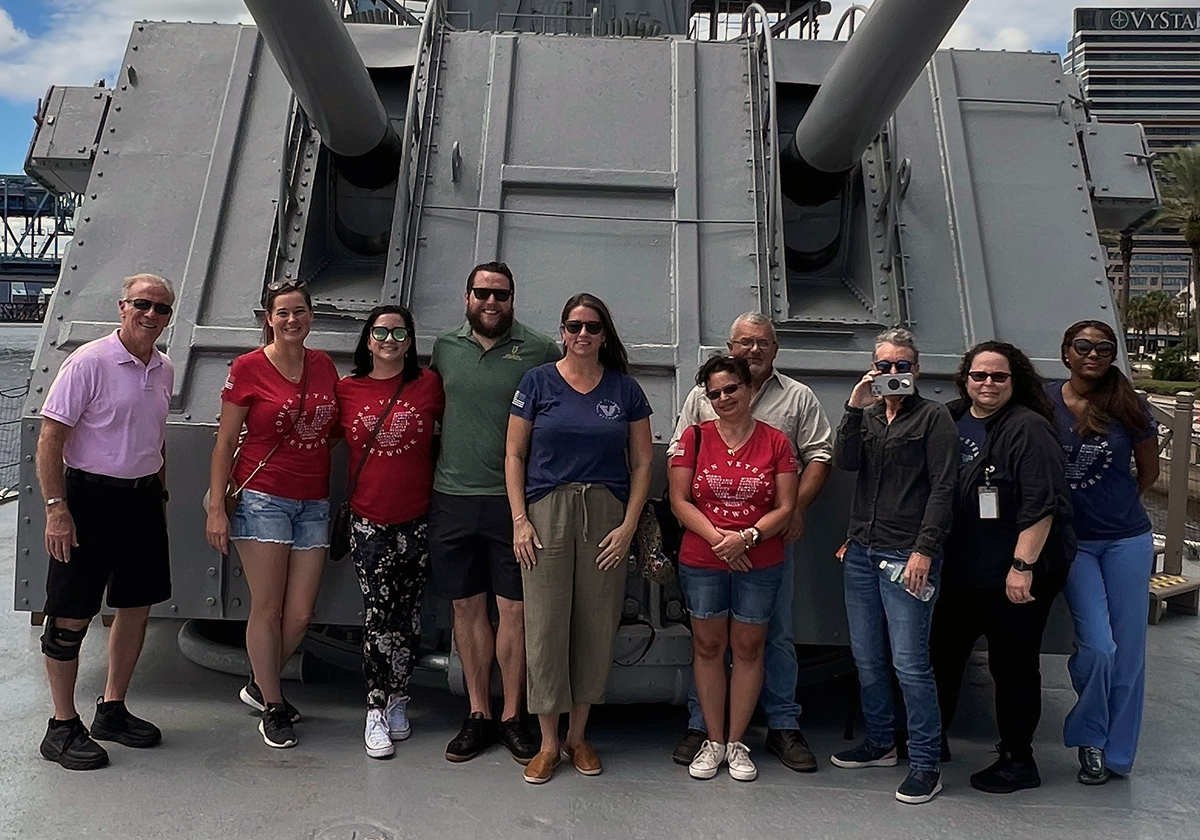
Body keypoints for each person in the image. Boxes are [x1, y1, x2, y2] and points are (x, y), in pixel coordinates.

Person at [668, 313, 831, 773]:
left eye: (762, 342)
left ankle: (779, 725)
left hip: (766, 544)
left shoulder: (796, 399)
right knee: (708, 642)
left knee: (768, 637)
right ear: (731, 347)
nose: (753, 350)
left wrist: (787, 515)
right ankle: (705, 729)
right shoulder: (700, 399)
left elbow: (818, 455)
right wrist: (722, 539)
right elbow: (678, 468)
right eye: (744, 342)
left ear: (775, 348)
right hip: (711, 545)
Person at [506, 292, 653, 784]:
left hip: (606, 516)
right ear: (562, 332)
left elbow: (642, 463)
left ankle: (578, 735)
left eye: (591, 326)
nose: (582, 335)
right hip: (547, 511)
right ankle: (548, 742)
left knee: (595, 623)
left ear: (604, 334)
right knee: (546, 626)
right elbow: (514, 456)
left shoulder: (625, 391)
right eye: (574, 326)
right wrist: (520, 521)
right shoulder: (537, 382)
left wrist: (629, 526)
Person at [35, 273, 175, 771]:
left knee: (136, 605)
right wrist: (57, 508)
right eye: (143, 304)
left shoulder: (163, 369)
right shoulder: (88, 361)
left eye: (162, 309)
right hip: (87, 498)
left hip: (140, 501)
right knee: (71, 614)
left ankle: (111, 709)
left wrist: (159, 495)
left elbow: (155, 438)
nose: (152, 315)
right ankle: (60, 725)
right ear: (122, 307)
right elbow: (51, 439)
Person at [429, 262, 561, 765]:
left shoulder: (540, 351)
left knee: (514, 610)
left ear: (513, 299)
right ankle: (479, 712)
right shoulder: (445, 347)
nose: (491, 302)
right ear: (467, 298)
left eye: (500, 295)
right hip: (452, 497)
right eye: (482, 293)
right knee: (465, 607)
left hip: (514, 503)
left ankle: (513, 716)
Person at [931, 342, 1075, 794]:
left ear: (1016, 382)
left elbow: (1042, 503)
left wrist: (1022, 566)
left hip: (1015, 572)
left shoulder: (1029, 429)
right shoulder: (954, 418)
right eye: (979, 376)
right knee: (943, 655)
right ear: (965, 379)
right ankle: (931, 740)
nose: (987, 384)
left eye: (999, 377)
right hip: (965, 568)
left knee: (1012, 665)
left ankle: (1018, 758)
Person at [205, 280, 339, 750]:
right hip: (263, 497)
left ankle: (261, 684)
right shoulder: (246, 369)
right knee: (269, 606)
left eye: (299, 311)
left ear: (311, 316)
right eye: (282, 313)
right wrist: (217, 506)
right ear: (268, 317)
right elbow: (225, 441)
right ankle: (275, 706)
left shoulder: (323, 365)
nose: (291, 320)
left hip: (313, 501)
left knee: (300, 614)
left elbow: (335, 425)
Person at [831, 327, 957, 805]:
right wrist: (853, 404)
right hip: (862, 550)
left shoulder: (934, 417)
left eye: (902, 366)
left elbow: (943, 488)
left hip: (907, 554)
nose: (893, 374)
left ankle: (925, 763)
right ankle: (881, 742)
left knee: (910, 663)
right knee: (867, 657)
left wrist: (925, 550)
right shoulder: (868, 417)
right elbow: (845, 463)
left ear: (916, 369)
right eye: (884, 366)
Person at [1048, 320, 1158, 785]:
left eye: (1104, 348)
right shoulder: (1044, 401)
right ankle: (1088, 731)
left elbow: (1147, 475)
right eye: (1083, 346)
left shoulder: (1128, 406)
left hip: (1126, 540)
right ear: (1066, 352)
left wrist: (1111, 507)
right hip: (1074, 544)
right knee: (1098, 646)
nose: (1093, 354)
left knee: (1129, 651)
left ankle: (1112, 751)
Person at [336, 305, 444, 758]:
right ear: (367, 339)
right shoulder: (347, 389)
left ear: (410, 341)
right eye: (380, 332)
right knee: (379, 616)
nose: (389, 340)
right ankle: (375, 707)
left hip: (417, 519)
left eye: (399, 333)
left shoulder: (428, 385)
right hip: (369, 521)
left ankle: (400, 697)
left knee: (409, 615)